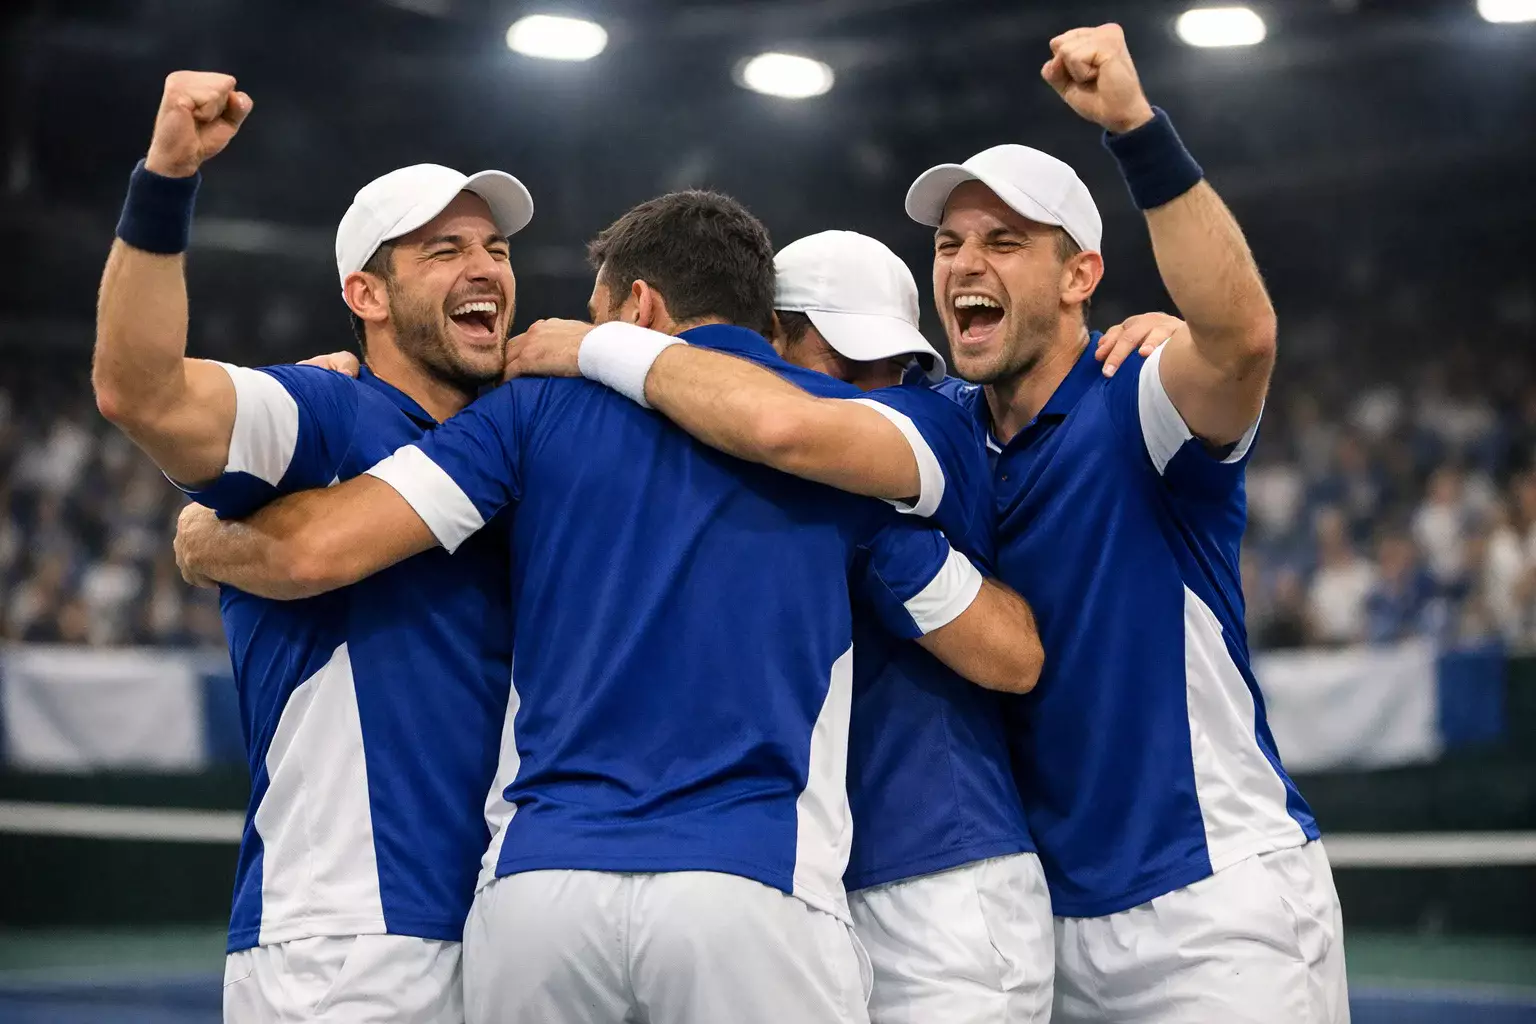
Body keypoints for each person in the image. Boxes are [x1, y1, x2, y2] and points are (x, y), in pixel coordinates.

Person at [174, 189, 1045, 1024]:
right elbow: (1013, 656)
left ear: (635, 304)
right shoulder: (866, 451)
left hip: (538, 894)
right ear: (770, 330)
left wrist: (209, 537)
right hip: (751, 884)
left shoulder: (536, 409)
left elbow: (328, 542)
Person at [501, 228, 1179, 1024]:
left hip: (939, 877)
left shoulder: (921, 435)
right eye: (850, 365)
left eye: (898, 367)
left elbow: (1016, 654)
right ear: (768, 340)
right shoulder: (702, 450)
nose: (879, 389)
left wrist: (597, 345)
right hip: (799, 884)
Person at [899, 22, 1348, 1023]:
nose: (966, 261)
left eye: (1004, 242)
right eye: (950, 243)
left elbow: (1242, 340)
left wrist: (1135, 127)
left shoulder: (1141, 397)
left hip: (1214, 911)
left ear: (1080, 278)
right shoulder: (941, 432)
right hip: (1044, 930)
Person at [94, 71, 533, 1023]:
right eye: (443, 248)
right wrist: (166, 176)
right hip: (352, 939)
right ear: (365, 292)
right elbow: (143, 392)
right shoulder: (327, 413)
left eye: (496, 248)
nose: (487, 267)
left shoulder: (526, 442)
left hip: (511, 929)